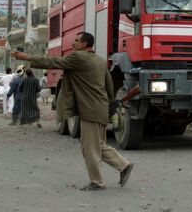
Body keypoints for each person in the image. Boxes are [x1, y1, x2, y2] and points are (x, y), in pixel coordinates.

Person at [12, 32, 134, 190]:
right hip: (100, 108)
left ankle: (97, 181)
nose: (73, 44)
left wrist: (27, 57)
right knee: (98, 145)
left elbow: (53, 61)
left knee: (89, 148)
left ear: (84, 44)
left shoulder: (78, 57)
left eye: (77, 41)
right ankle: (123, 166)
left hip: (90, 109)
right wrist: (109, 106)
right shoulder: (100, 61)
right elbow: (109, 85)